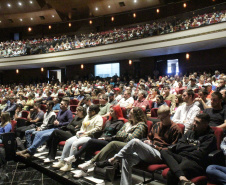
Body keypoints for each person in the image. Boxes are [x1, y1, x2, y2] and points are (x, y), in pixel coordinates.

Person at [107, 105, 183, 185]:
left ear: (169, 115)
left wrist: (154, 145)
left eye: (163, 118)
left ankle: (115, 158)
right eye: (159, 118)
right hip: (150, 152)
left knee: (135, 141)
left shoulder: (176, 129)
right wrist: (147, 142)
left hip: (161, 155)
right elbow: (149, 138)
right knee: (126, 157)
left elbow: (173, 150)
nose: (161, 120)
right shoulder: (157, 125)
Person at [76, 107, 148, 178]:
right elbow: (118, 134)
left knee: (113, 144)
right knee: (106, 149)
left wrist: (124, 134)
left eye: (131, 113)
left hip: (131, 147)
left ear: (137, 115)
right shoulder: (127, 123)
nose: (129, 114)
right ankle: (90, 169)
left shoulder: (141, 125)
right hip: (121, 144)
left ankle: (91, 163)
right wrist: (126, 135)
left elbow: (131, 139)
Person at [58, 105, 125, 169]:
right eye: (110, 111)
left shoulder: (120, 123)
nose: (109, 113)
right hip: (100, 139)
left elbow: (116, 136)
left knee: (90, 141)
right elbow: (103, 132)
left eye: (111, 111)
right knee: (72, 143)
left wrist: (104, 138)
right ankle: (81, 167)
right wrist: (81, 131)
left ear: (116, 112)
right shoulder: (108, 121)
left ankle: (73, 158)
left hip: (109, 141)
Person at [160, 113, 217, 185]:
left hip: (195, 162)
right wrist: (195, 147)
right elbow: (178, 146)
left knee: (171, 174)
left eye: (197, 122)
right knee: (164, 152)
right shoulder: (190, 132)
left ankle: (181, 176)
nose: (194, 123)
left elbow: (200, 154)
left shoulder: (210, 138)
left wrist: (185, 148)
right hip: (181, 157)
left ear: (205, 124)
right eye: (194, 121)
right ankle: (182, 178)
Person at [52, 104, 103, 171]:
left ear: (93, 111)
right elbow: (83, 125)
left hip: (90, 136)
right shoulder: (87, 116)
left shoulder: (99, 118)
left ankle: (69, 164)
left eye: (89, 111)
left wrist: (86, 133)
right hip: (82, 134)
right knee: (68, 141)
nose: (88, 113)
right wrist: (80, 131)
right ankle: (62, 161)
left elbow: (98, 128)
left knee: (75, 144)